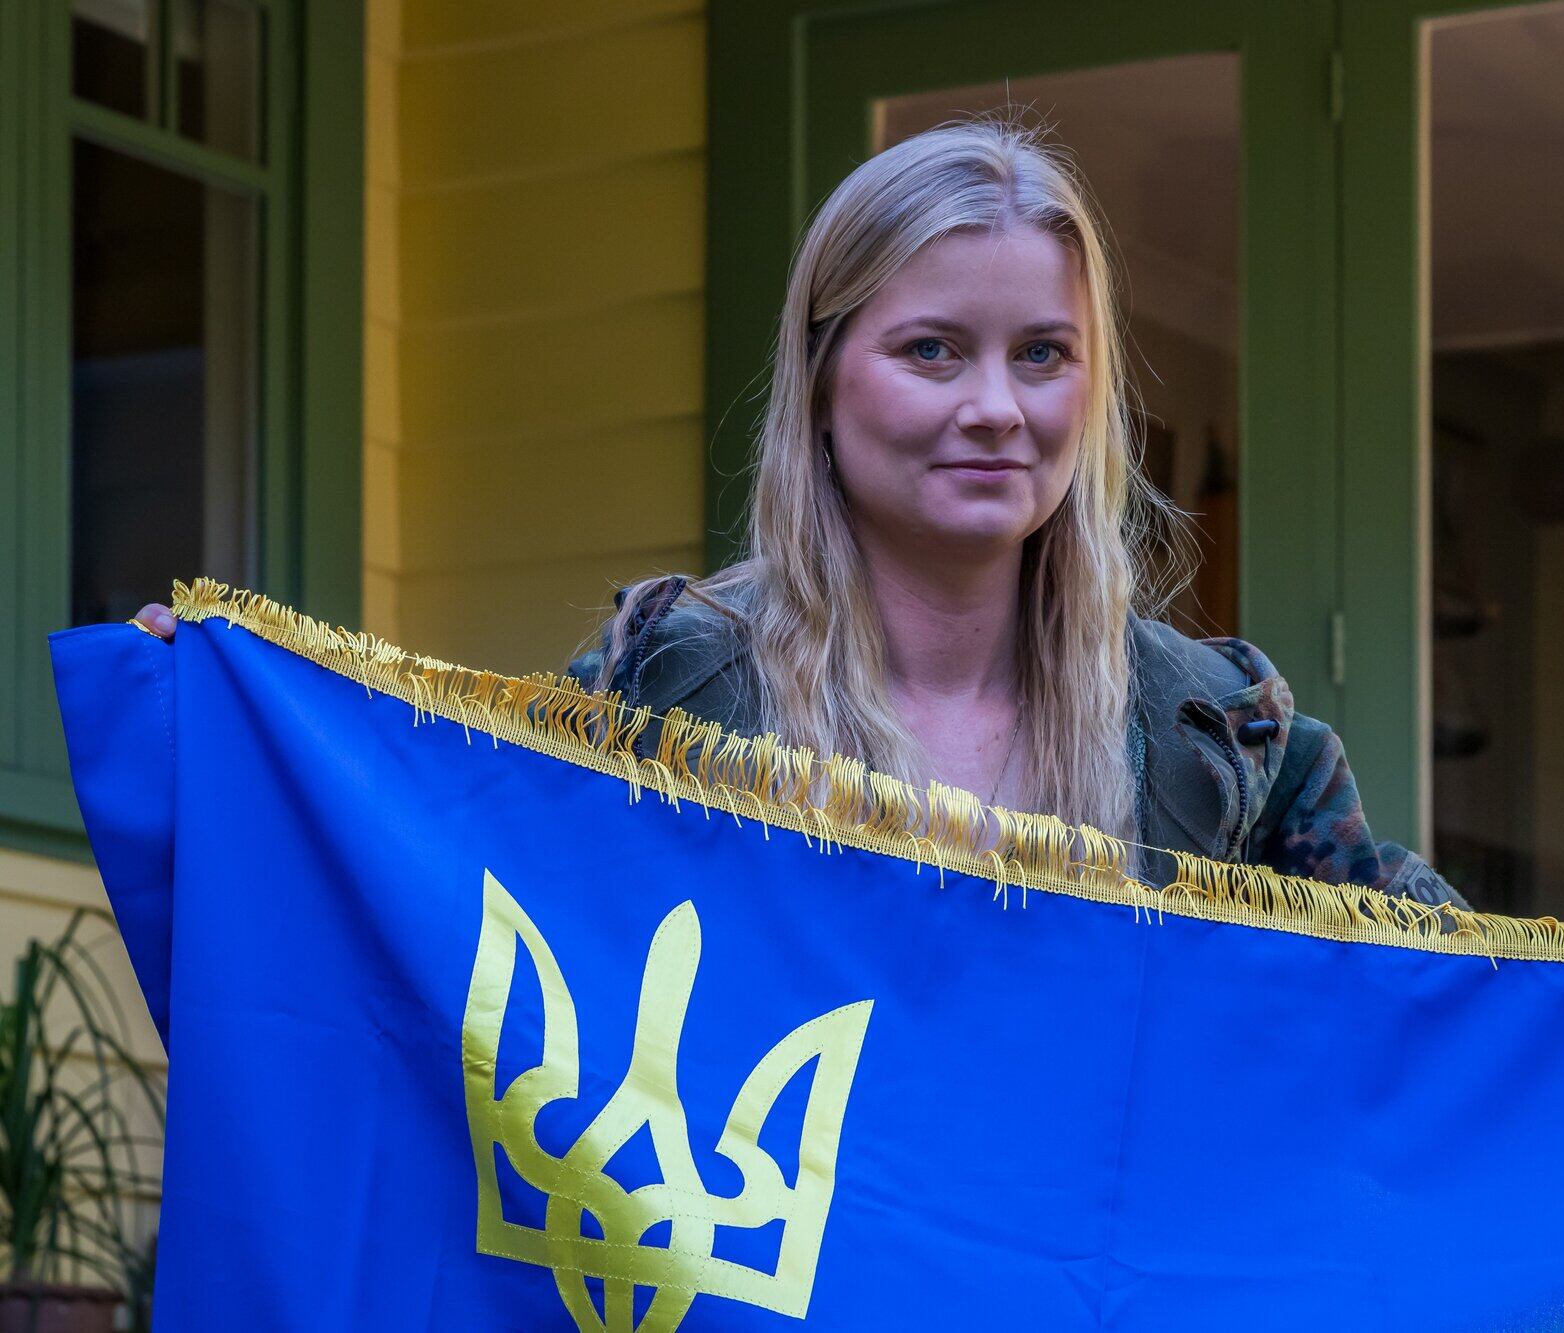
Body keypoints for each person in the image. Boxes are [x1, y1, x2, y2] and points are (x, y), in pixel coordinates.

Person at [136, 115, 1465, 911]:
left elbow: (1467, 1012)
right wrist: (222, 730)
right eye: (933, 350)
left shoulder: (1225, 735)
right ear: (822, 380)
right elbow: (444, 875)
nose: (996, 407)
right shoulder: (669, 679)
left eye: (1043, 355)